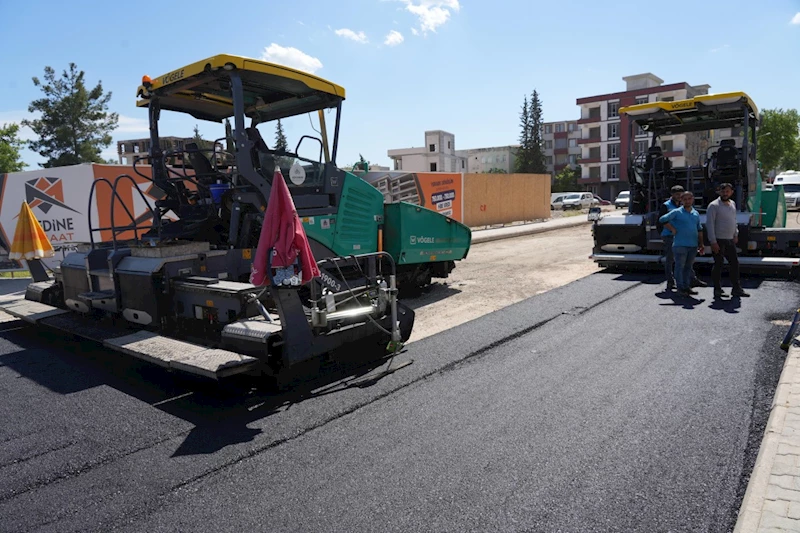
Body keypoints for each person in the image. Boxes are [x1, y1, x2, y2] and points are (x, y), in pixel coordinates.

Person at [657, 186, 707, 291]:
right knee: (672, 260)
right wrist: (669, 231)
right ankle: (671, 282)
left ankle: (689, 281)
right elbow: (660, 220)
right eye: (676, 194)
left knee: (686, 262)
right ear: (672, 194)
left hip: (685, 238)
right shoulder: (666, 206)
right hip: (670, 236)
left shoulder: (688, 208)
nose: (679, 196)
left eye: (680, 194)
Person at [706, 182, 749, 298]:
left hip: (730, 239)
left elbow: (734, 220)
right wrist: (713, 241)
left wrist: (736, 234)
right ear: (719, 192)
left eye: (727, 191)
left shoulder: (732, 204)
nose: (725, 193)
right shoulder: (713, 206)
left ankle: (736, 289)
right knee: (718, 264)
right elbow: (709, 224)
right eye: (723, 191)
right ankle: (717, 290)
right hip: (718, 240)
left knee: (734, 264)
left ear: (732, 192)